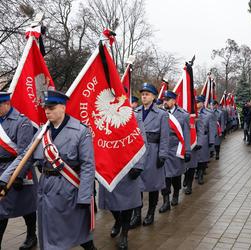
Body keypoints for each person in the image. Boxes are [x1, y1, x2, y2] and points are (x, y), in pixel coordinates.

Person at [0, 90, 96, 250]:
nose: (47, 111)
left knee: (76, 231)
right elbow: (25, 156)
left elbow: (88, 165)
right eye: (45, 108)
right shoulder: (42, 132)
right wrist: (5, 179)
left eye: (51, 107)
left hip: (68, 189)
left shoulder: (81, 131)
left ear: (63, 107)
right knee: (49, 232)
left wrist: (85, 196)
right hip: (46, 188)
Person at [98, 107, 146, 250]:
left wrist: (139, 165)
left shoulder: (134, 116)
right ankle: (118, 221)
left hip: (128, 165)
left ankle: (124, 235)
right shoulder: (102, 115)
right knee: (109, 201)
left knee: (127, 203)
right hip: (108, 166)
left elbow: (142, 140)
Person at [0, 92, 37, 250]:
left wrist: (18, 176)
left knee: (27, 207)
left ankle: (31, 235)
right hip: (1, 169)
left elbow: (25, 153)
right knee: (1, 209)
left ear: (7, 104)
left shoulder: (22, 122)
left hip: (16, 169)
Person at [130, 83, 169, 228]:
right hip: (138, 153)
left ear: (153, 96)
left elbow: (165, 137)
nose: (144, 96)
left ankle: (151, 213)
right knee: (137, 185)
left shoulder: (162, 114)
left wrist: (163, 155)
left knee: (153, 185)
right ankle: (137, 215)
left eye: (147, 94)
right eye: (143, 94)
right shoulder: (135, 112)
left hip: (153, 152)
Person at [159, 90, 191, 213]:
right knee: (164, 177)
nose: (165, 102)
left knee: (176, 176)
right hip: (163, 150)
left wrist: (187, 150)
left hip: (177, 150)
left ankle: (176, 194)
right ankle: (166, 201)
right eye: (164, 100)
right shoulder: (160, 113)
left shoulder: (183, 115)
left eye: (167, 100)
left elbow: (187, 134)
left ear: (174, 101)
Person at [195, 95, 215, 185]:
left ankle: (200, 174)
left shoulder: (209, 114)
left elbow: (212, 128)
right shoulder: (191, 112)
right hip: (193, 138)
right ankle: (194, 172)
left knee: (202, 158)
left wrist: (211, 141)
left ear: (202, 103)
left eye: (198, 102)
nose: (196, 104)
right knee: (194, 158)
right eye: (195, 102)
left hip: (204, 137)